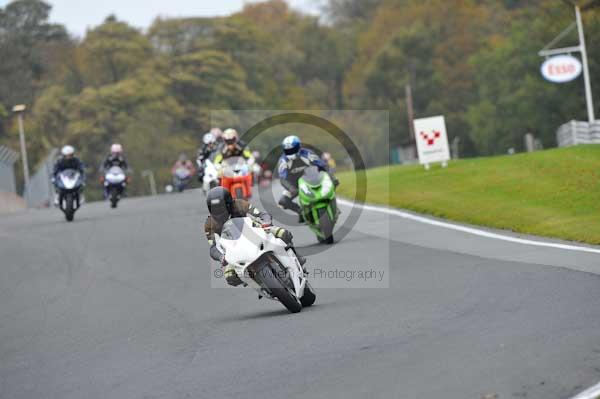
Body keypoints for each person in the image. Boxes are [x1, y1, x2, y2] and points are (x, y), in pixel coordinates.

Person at [204, 187, 305, 286]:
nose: (219, 211)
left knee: (282, 233)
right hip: (233, 248)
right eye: (215, 209)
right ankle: (258, 282)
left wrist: (266, 223)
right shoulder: (209, 224)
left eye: (221, 207)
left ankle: (297, 259)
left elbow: (261, 214)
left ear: (229, 203)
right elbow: (213, 247)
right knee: (230, 276)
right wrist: (221, 257)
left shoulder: (239, 204)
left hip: (254, 232)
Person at [277, 135, 338, 220]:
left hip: (313, 178)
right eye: (288, 150)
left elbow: (323, 165)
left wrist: (331, 176)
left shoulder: (308, 153)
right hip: (295, 185)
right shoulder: (283, 161)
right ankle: (302, 212)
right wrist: (291, 187)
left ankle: (332, 205)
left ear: (299, 147)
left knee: (334, 182)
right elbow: (282, 178)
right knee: (283, 201)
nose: (291, 152)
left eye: (293, 149)